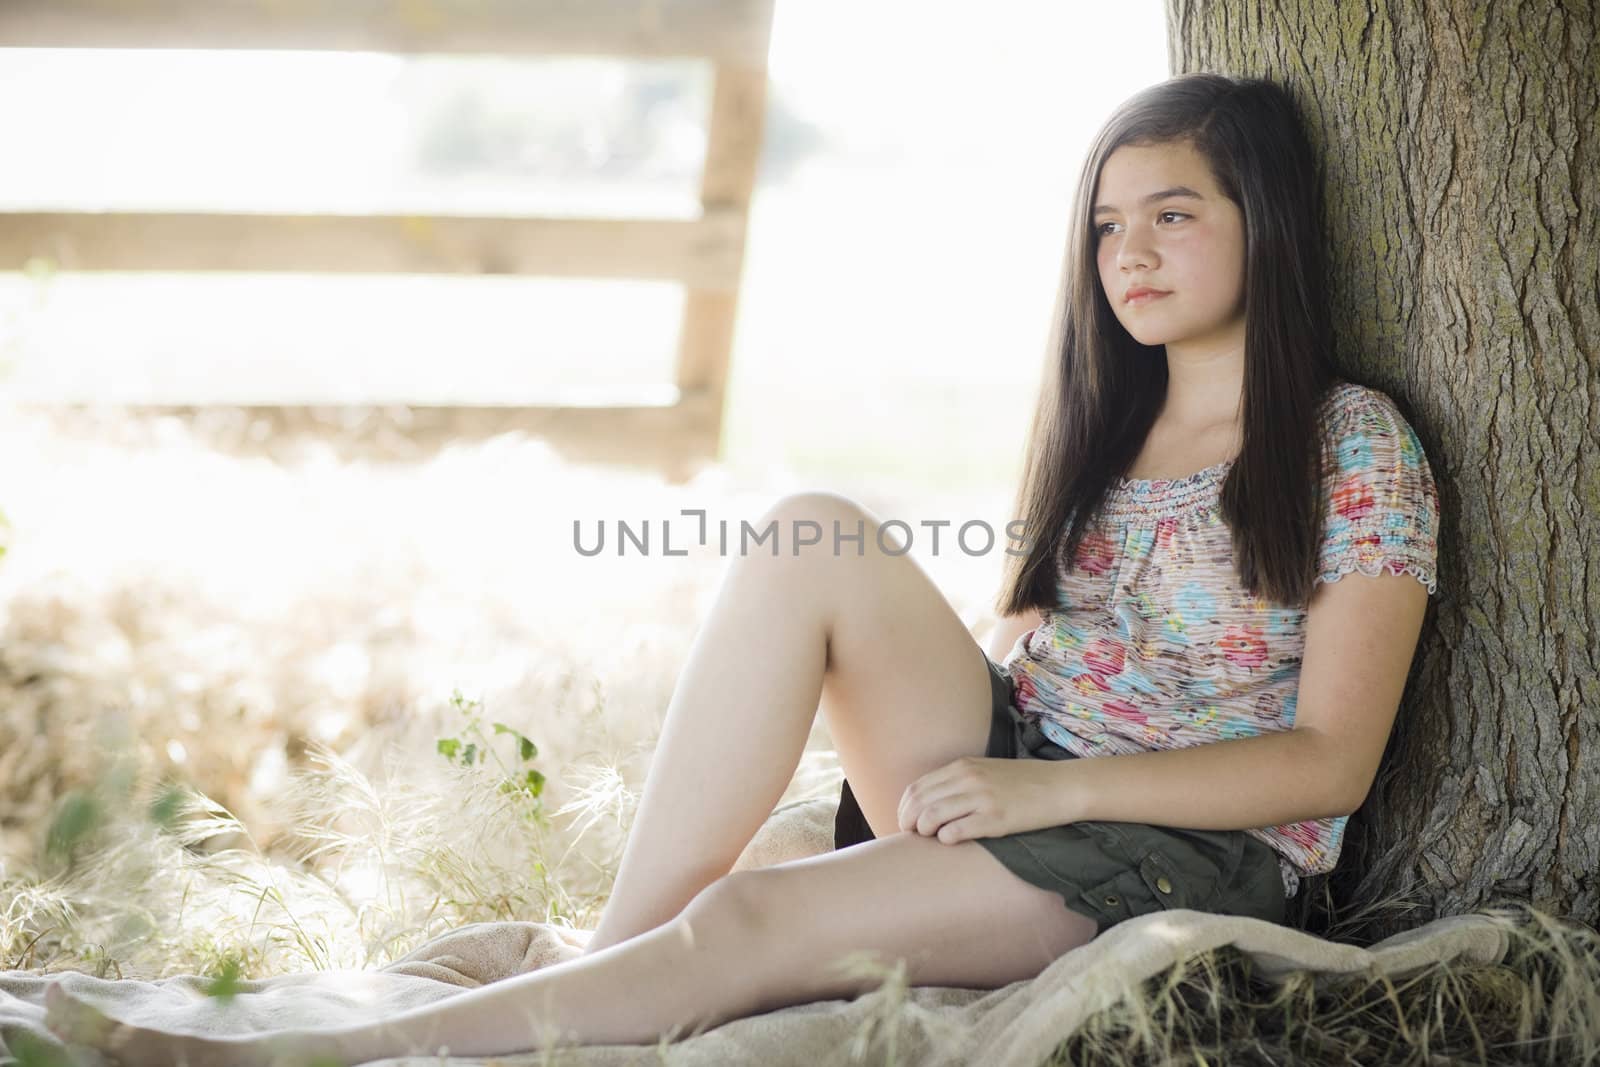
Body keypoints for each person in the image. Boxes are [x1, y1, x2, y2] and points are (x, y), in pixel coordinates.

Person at [45, 71, 1440, 1066]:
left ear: (1265, 215)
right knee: (811, 528)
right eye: (1105, 224)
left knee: (758, 914)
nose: (1126, 252)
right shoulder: (1112, 417)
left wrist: (1043, 787)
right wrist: (981, 754)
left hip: (1182, 846)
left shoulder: (1350, 443)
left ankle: (355, 1052)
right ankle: (613, 962)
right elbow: (1047, 647)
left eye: (1174, 215)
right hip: (1032, 763)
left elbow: (1328, 765)